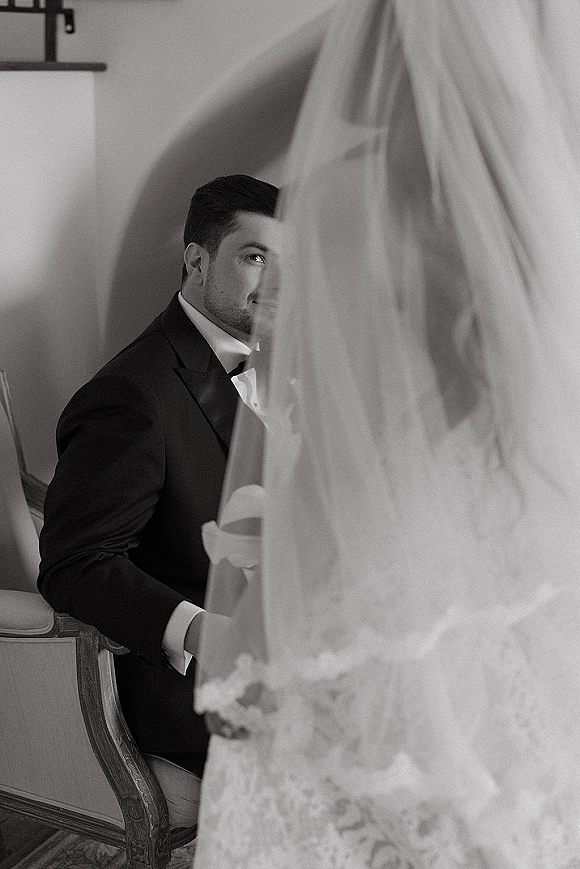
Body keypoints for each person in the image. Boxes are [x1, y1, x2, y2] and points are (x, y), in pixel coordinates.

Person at [191, 1, 580, 867]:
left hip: (375, 617)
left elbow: (339, 474)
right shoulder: (544, 200)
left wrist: (251, 635)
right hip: (520, 609)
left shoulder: (347, 205)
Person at [37, 175, 280, 797]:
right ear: (196, 261)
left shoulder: (298, 362)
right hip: (194, 683)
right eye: (255, 257)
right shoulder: (132, 396)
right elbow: (76, 564)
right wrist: (205, 633)